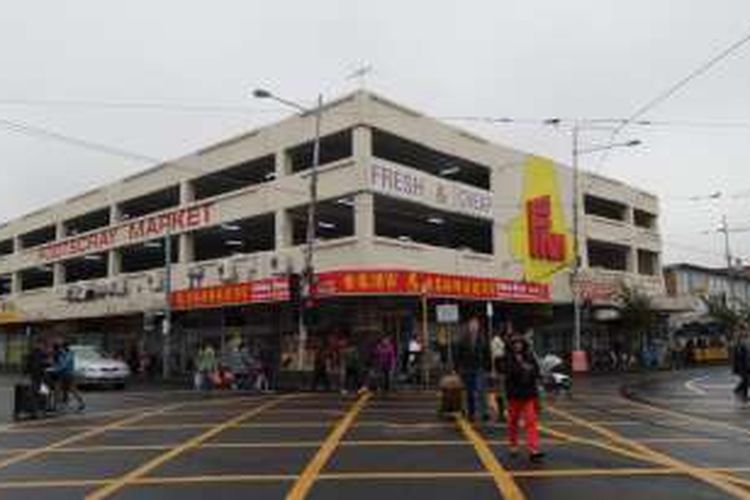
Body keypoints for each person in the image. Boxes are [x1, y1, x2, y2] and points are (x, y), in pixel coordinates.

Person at [505, 336, 543, 461]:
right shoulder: (508, 357)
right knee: (513, 421)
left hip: (528, 394)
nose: (518, 345)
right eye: (515, 343)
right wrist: (523, 368)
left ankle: (534, 449)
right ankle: (513, 445)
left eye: (520, 343)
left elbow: (537, 372)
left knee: (531, 421)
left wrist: (528, 369)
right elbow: (510, 372)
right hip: (514, 395)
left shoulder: (530, 356)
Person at [455, 317, 491, 421]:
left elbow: (487, 354)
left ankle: (484, 412)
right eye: (472, 325)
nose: (474, 327)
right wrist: (456, 368)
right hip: (467, 368)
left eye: (476, 325)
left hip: (480, 367)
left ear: (478, 326)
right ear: (469, 326)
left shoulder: (483, 338)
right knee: (470, 392)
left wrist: (488, 367)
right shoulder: (463, 339)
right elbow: (458, 354)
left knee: (481, 390)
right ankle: (471, 413)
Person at [52, 342, 85, 412]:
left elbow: (64, 365)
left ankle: (80, 403)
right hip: (64, 374)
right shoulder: (64, 354)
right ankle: (57, 405)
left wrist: (54, 369)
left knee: (68, 389)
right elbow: (60, 363)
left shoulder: (67, 354)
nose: (61, 349)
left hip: (67, 374)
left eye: (62, 347)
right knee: (59, 389)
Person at [24, 339, 51, 417]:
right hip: (37, 376)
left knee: (41, 393)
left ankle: (40, 410)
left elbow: (48, 363)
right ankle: (36, 410)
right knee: (37, 393)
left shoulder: (42, 354)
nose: (39, 346)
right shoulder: (34, 353)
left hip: (41, 376)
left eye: (40, 344)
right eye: (38, 344)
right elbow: (28, 364)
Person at [732, 330, 749, 402]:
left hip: (745, 366)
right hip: (742, 366)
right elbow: (738, 358)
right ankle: (743, 396)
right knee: (746, 380)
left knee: (746, 380)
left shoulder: (743, 345)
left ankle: (737, 390)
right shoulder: (739, 346)